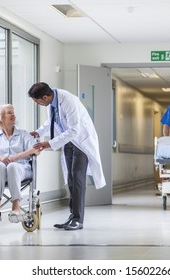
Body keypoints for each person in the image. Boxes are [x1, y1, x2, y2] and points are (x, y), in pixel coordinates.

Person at [28, 82, 106, 231]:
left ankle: (78, 219)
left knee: (77, 179)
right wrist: (39, 132)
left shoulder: (68, 100)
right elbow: (51, 121)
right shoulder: (52, 102)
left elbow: (75, 130)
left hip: (81, 142)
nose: (37, 104)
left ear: (45, 97)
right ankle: (73, 216)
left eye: (37, 101)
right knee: (71, 179)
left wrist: (49, 144)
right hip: (68, 142)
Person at [0, 104, 39, 222]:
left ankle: (16, 207)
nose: (13, 115)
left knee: (12, 166)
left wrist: (17, 156)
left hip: (22, 170)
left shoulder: (23, 134)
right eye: (9, 112)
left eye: (13, 112)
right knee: (0, 165)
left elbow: (36, 149)